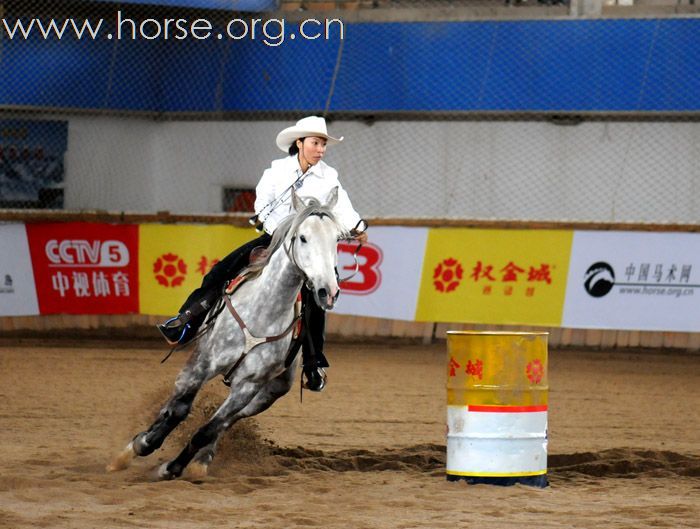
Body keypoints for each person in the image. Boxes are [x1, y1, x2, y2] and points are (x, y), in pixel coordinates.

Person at [157, 116, 368, 391]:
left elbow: (343, 209)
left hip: (310, 249)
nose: (321, 150)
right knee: (221, 272)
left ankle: (313, 363)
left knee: (318, 297)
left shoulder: (329, 177)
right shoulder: (276, 171)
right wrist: (281, 234)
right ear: (300, 143)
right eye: (316, 143)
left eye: (324, 145)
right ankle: (186, 320)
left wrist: (358, 226)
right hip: (276, 239)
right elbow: (262, 204)